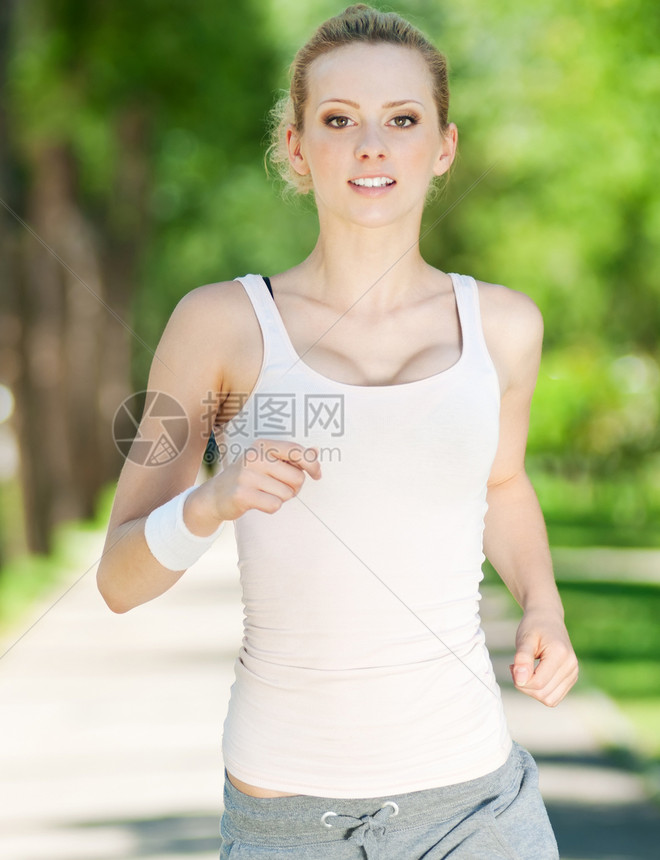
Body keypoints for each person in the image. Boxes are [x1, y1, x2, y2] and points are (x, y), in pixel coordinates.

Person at [96, 5, 578, 858]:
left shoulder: (505, 327)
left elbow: (501, 485)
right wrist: (210, 503)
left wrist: (543, 604)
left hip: (476, 805)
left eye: (401, 120)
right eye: (338, 121)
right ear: (295, 148)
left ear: (444, 147)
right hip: (291, 820)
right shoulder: (218, 325)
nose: (372, 147)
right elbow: (119, 579)